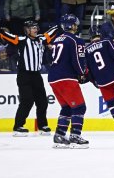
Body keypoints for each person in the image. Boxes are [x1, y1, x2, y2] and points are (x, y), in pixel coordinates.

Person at [0, 20, 58, 136]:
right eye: (32, 28)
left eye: (36, 27)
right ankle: (18, 126)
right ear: (27, 30)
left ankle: (42, 125)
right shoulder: (22, 40)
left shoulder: (41, 39)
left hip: (36, 75)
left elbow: (53, 32)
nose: (35, 29)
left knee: (42, 101)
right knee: (27, 100)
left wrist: (61, 25)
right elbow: (8, 36)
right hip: (24, 75)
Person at [48, 14, 89, 148]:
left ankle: (60, 135)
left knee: (67, 107)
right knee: (79, 107)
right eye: (75, 24)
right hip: (66, 78)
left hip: (53, 77)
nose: (77, 26)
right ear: (72, 25)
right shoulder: (75, 40)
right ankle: (75, 136)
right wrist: (82, 73)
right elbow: (77, 60)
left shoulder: (57, 39)